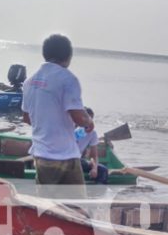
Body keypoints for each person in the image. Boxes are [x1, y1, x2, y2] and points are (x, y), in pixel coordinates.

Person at [22, 34, 94, 192]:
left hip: (41, 155)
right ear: (68, 56)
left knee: (47, 206)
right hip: (65, 156)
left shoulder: (29, 82)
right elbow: (79, 117)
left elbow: (27, 118)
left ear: (45, 54)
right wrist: (89, 122)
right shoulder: (68, 79)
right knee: (77, 207)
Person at [77, 108, 109, 184]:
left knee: (102, 170)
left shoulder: (92, 133)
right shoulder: (71, 129)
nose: (88, 122)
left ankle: (97, 193)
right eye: (86, 118)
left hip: (79, 161)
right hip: (65, 160)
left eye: (91, 119)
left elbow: (94, 156)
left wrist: (94, 168)